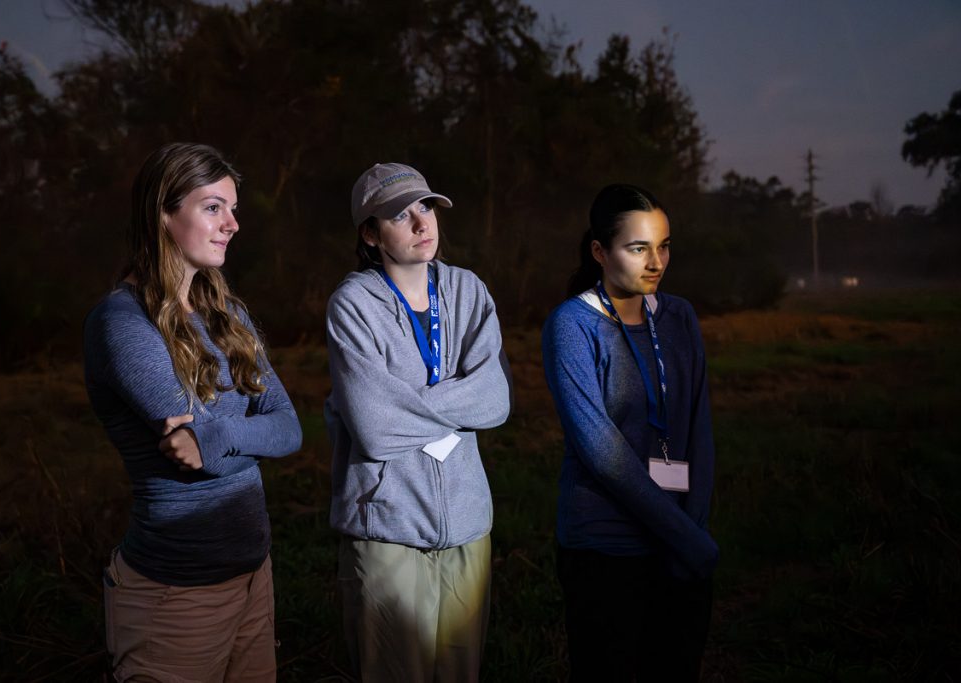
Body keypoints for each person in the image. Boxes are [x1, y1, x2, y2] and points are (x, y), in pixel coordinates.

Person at [83, 142, 302, 682]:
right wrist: (247, 440)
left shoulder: (227, 313)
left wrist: (219, 436)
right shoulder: (123, 322)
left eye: (233, 209)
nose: (231, 224)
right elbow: (194, 459)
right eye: (212, 207)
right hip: (176, 595)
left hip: (254, 576)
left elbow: (291, 429)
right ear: (163, 214)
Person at [324, 162, 512, 682]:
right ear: (370, 233)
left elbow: (495, 400)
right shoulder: (353, 306)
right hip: (387, 526)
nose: (421, 222)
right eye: (399, 215)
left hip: (469, 524)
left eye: (426, 207)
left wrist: (408, 402)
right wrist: (458, 402)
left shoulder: (469, 290)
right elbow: (374, 427)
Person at [542, 184, 718, 682]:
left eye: (664, 245)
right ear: (599, 251)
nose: (656, 261)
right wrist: (682, 534)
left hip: (684, 547)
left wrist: (694, 531)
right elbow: (602, 454)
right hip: (606, 550)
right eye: (638, 248)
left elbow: (698, 427)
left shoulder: (679, 316)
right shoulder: (572, 326)